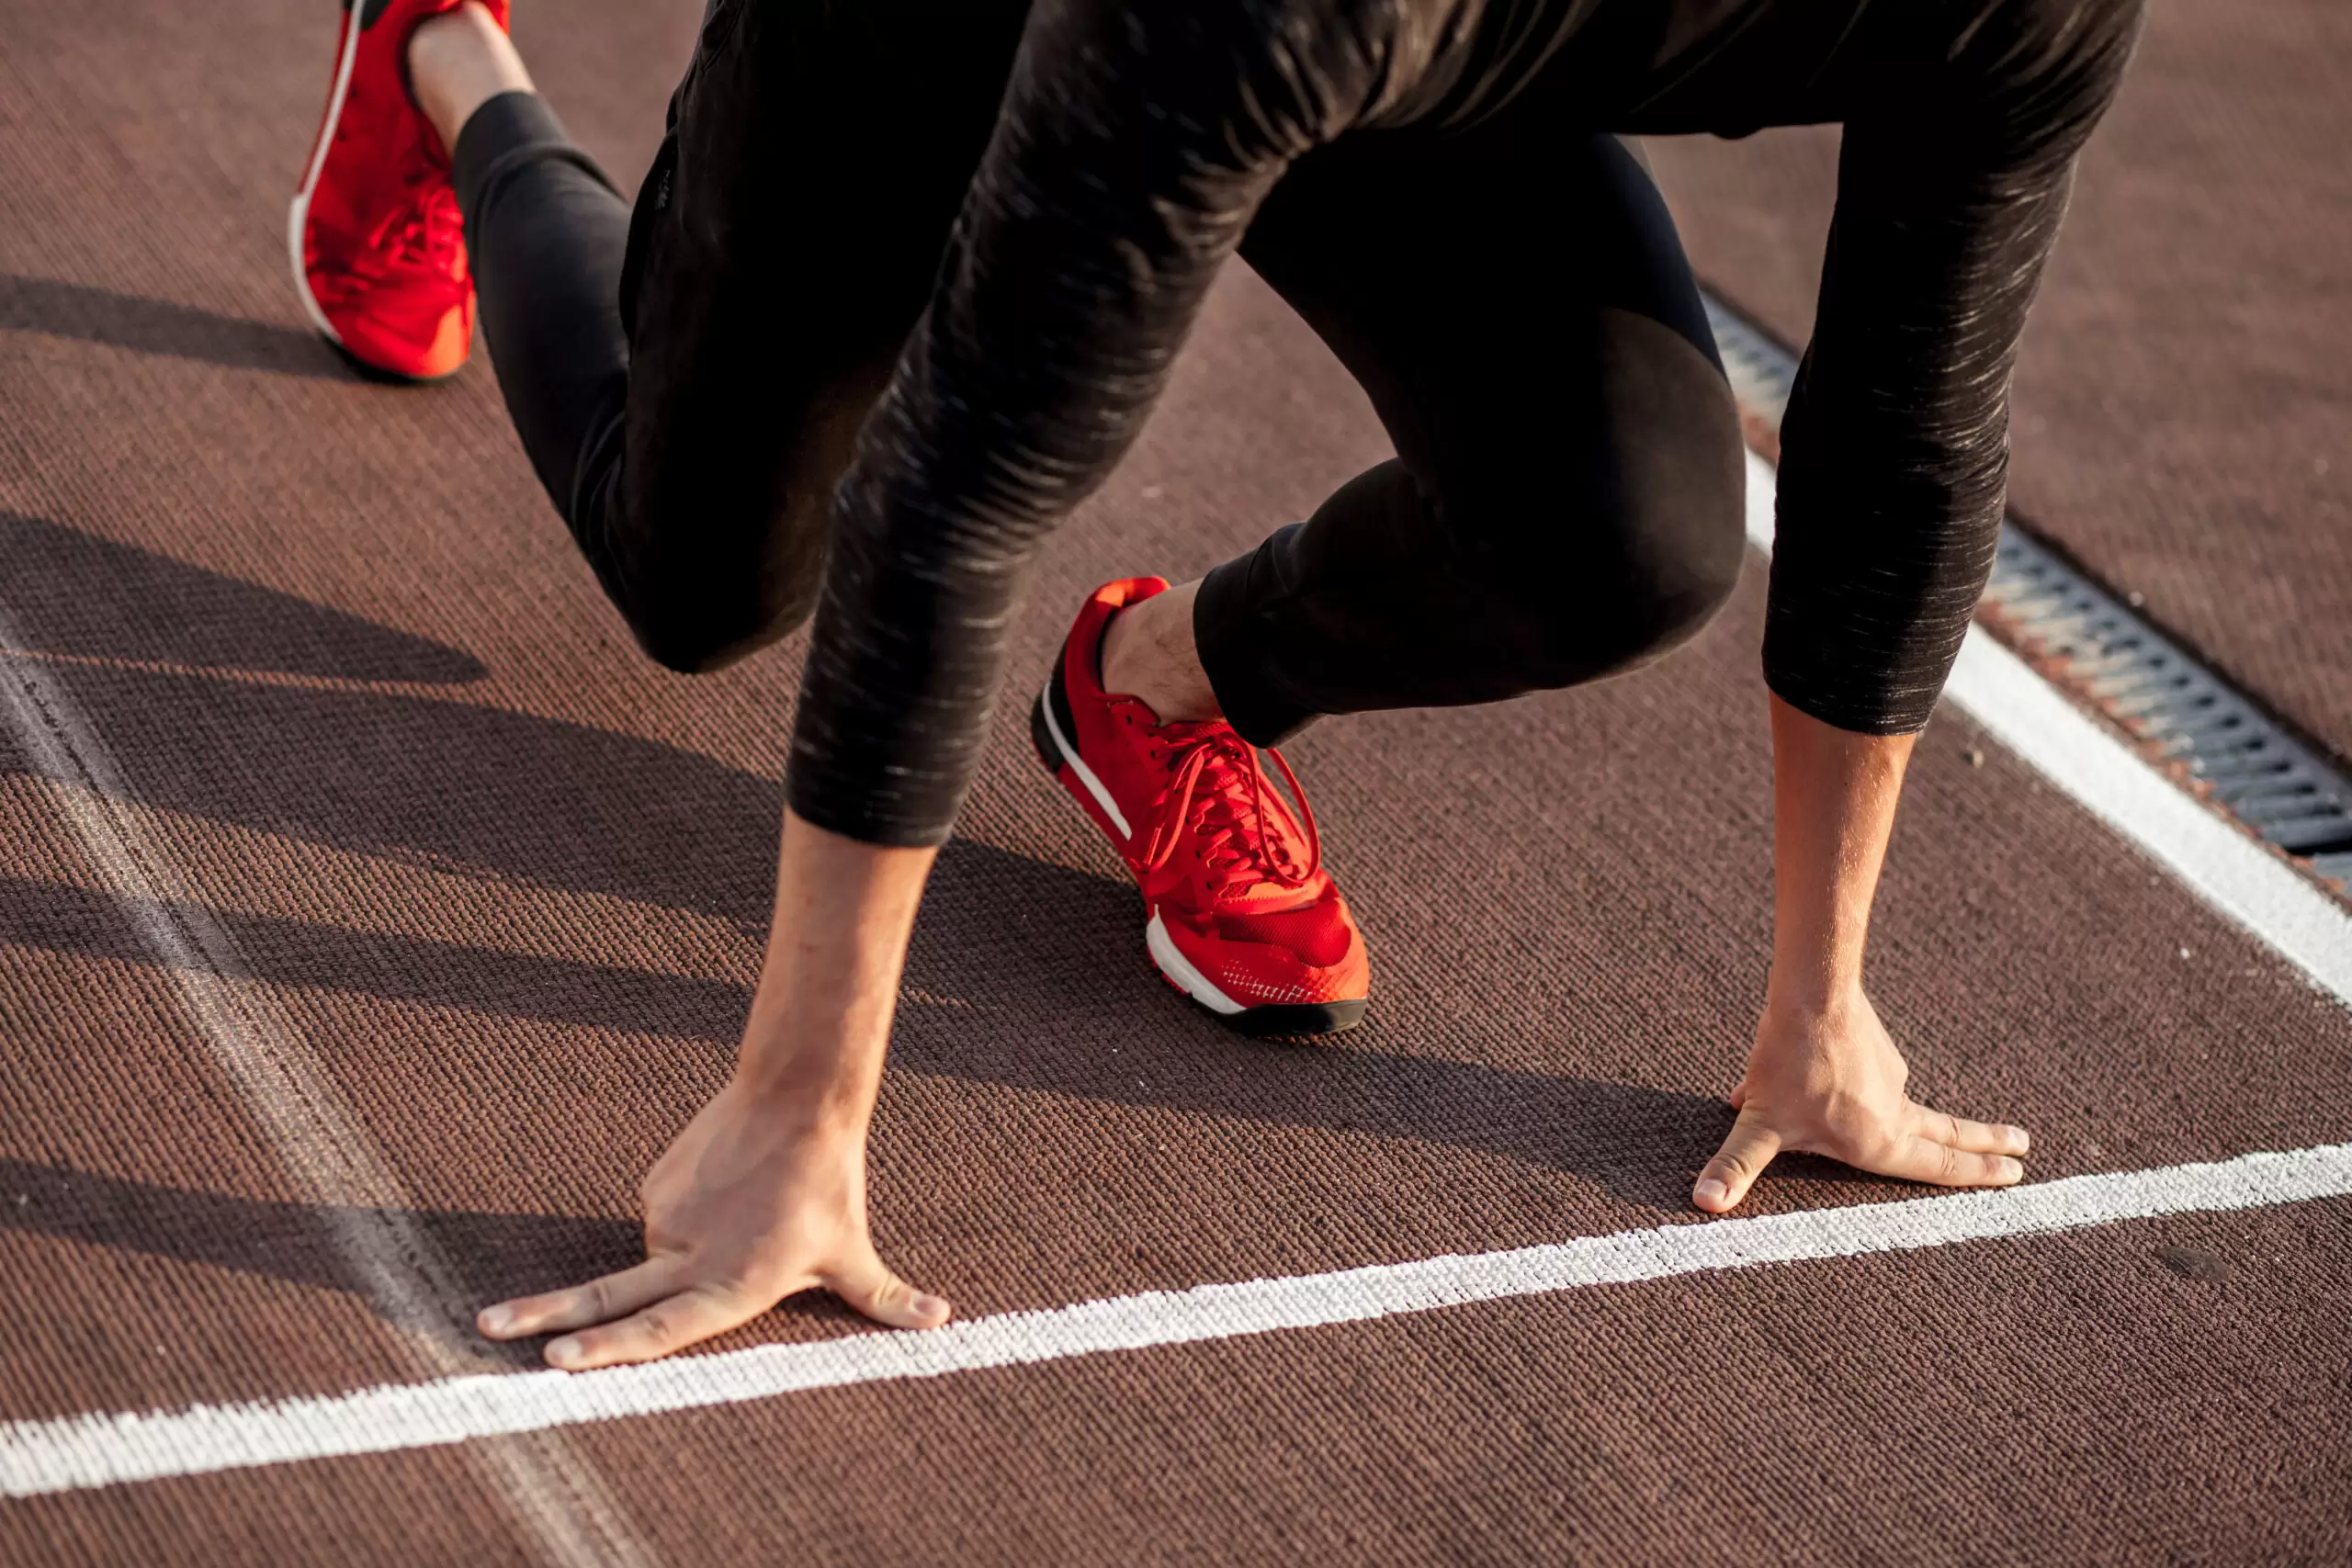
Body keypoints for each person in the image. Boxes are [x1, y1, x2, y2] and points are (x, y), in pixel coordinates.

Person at [290, 0, 2143, 1368]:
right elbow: (951, 490)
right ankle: (444, 59)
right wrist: (791, 1115)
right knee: (696, 578)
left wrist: (1821, 1013)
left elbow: (1905, 433)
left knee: (1616, 535)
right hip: (980, 32)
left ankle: (1153, 690)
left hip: (1369, 56)